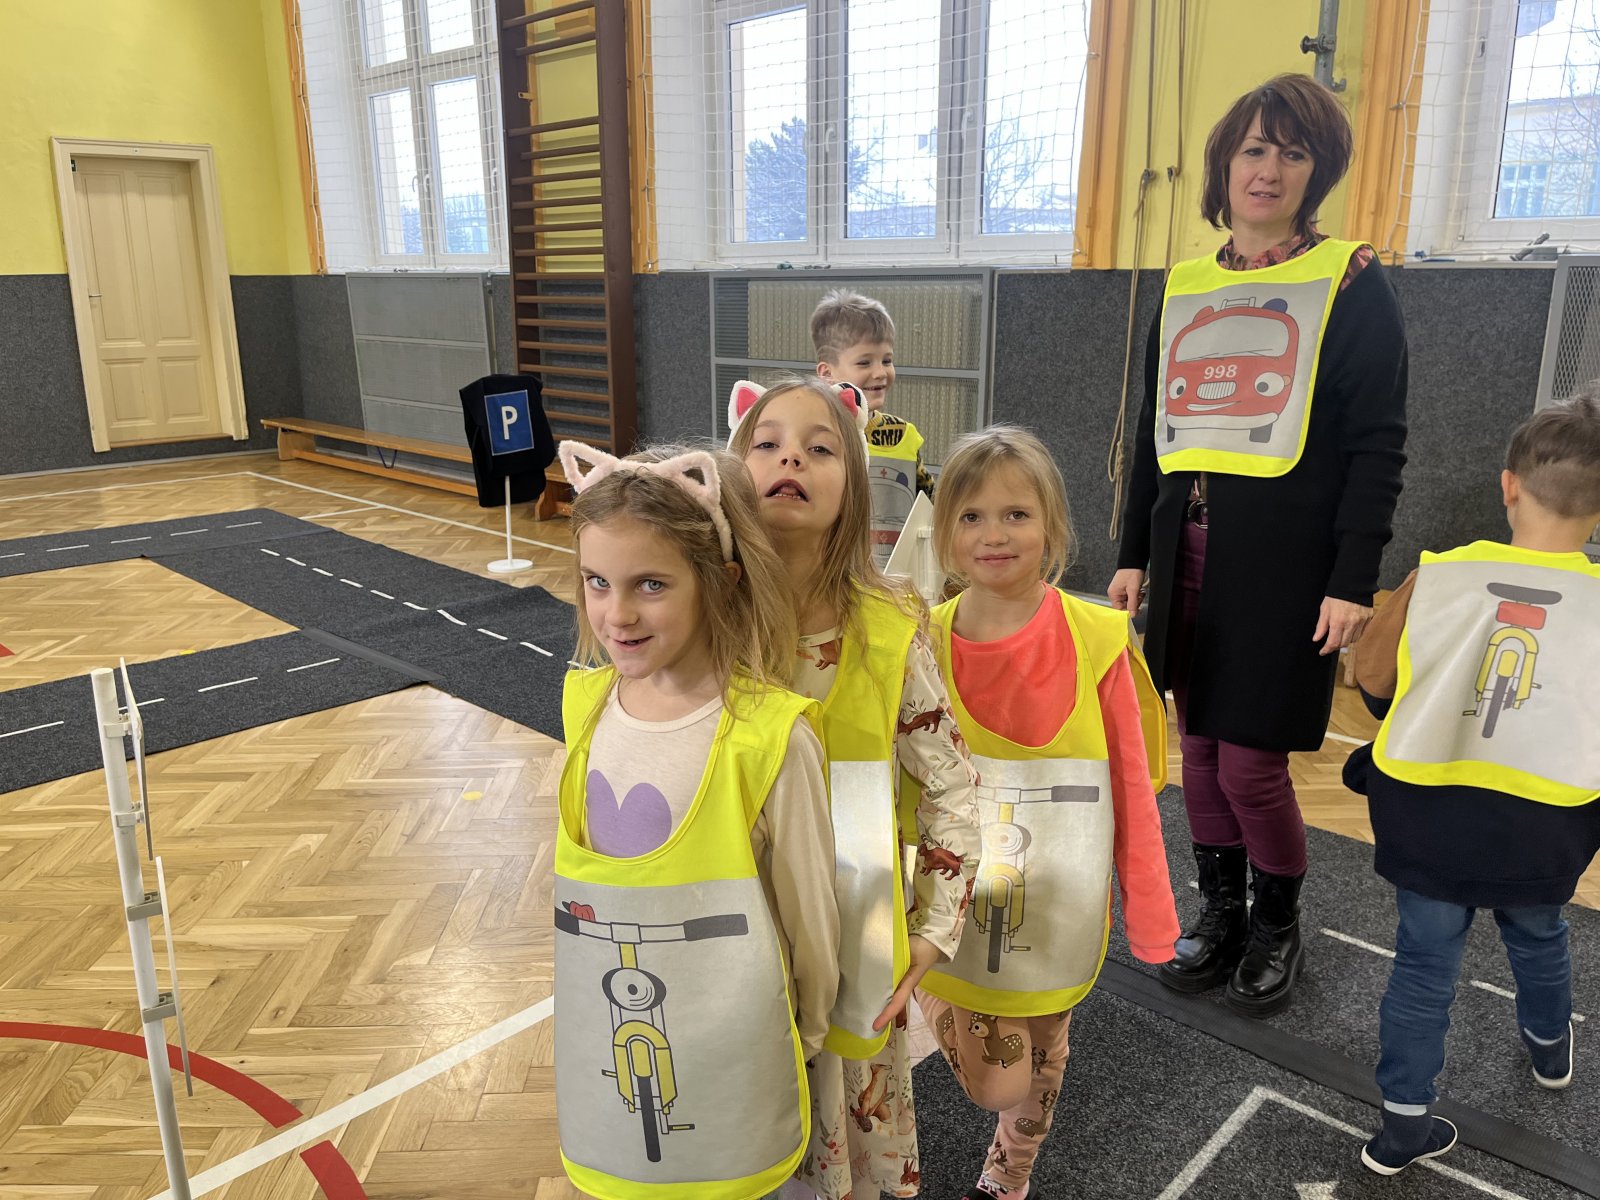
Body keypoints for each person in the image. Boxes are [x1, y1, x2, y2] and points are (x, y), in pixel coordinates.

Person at [1108, 72, 1408, 1016]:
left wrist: (1353, 577)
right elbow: (1155, 430)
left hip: (1286, 567)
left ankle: (1279, 924)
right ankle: (1222, 914)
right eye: (1253, 148)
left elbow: (1378, 444)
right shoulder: (1186, 285)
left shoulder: (1350, 281)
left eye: (1292, 152)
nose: (1268, 169)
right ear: (1225, 165)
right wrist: (1133, 551)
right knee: (1197, 750)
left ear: (1318, 172)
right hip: (1187, 554)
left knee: (1250, 762)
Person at [550, 440, 841, 1200]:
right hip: (614, 1046)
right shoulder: (584, 709)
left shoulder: (770, 738)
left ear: (720, 581)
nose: (617, 614)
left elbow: (811, 920)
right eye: (597, 582)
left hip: (737, 1062)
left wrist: (806, 1039)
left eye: (650, 584)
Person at [730, 377, 982, 1200]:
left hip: (851, 943)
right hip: (734, 936)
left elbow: (952, 785)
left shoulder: (888, 626)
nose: (791, 459)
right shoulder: (705, 617)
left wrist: (933, 929)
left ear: (855, 483)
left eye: (819, 447)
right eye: (767, 443)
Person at [913, 427, 1179, 1200]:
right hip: (954, 907)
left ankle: (1009, 1174)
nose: (994, 534)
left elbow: (1130, 789)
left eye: (1016, 514)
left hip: (1061, 906)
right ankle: (936, 1006)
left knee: (1045, 1050)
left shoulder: (1097, 640)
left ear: (1052, 525)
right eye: (971, 516)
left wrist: (1152, 916)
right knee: (999, 1079)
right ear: (945, 532)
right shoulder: (922, 642)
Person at [1344, 394, 1600, 1176]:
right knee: (1541, 935)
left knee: (1423, 969)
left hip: (1430, 812)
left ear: (1508, 486)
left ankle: (1401, 1126)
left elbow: (1373, 680)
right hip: (1545, 824)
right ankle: (1550, 1051)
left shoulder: (1439, 575)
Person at [811, 289, 936, 570]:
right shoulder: (808, 434)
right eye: (864, 362)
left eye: (887, 360)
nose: (880, 372)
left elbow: (929, 502)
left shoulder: (903, 433)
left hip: (893, 581)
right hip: (828, 578)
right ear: (827, 373)